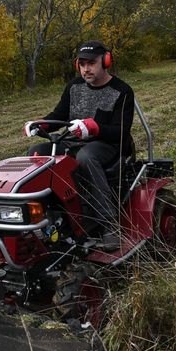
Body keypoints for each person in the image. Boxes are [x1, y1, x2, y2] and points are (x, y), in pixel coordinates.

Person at [24, 41, 134, 249]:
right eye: (82, 64)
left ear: (106, 62)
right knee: (37, 153)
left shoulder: (122, 91)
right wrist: (41, 124)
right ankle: (45, 217)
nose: (86, 69)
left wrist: (94, 128)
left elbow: (121, 132)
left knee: (85, 157)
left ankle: (109, 224)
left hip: (108, 144)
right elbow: (59, 114)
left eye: (91, 63)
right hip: (73, 141)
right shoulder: (74, 87)